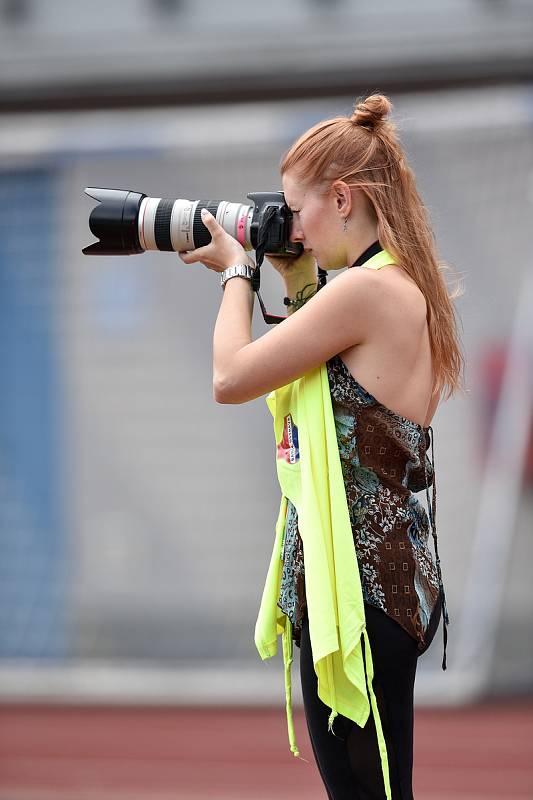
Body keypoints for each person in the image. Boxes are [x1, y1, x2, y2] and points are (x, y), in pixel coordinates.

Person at [179, 93, 465, 800]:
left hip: (357, 599)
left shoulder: (365, 293)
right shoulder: (396, 284)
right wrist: (295, 280)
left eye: (296, 210)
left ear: (341, 199)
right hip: (380, 590)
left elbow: (230, 377)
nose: (292, 228)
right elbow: (325, 390)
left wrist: (235, 272)